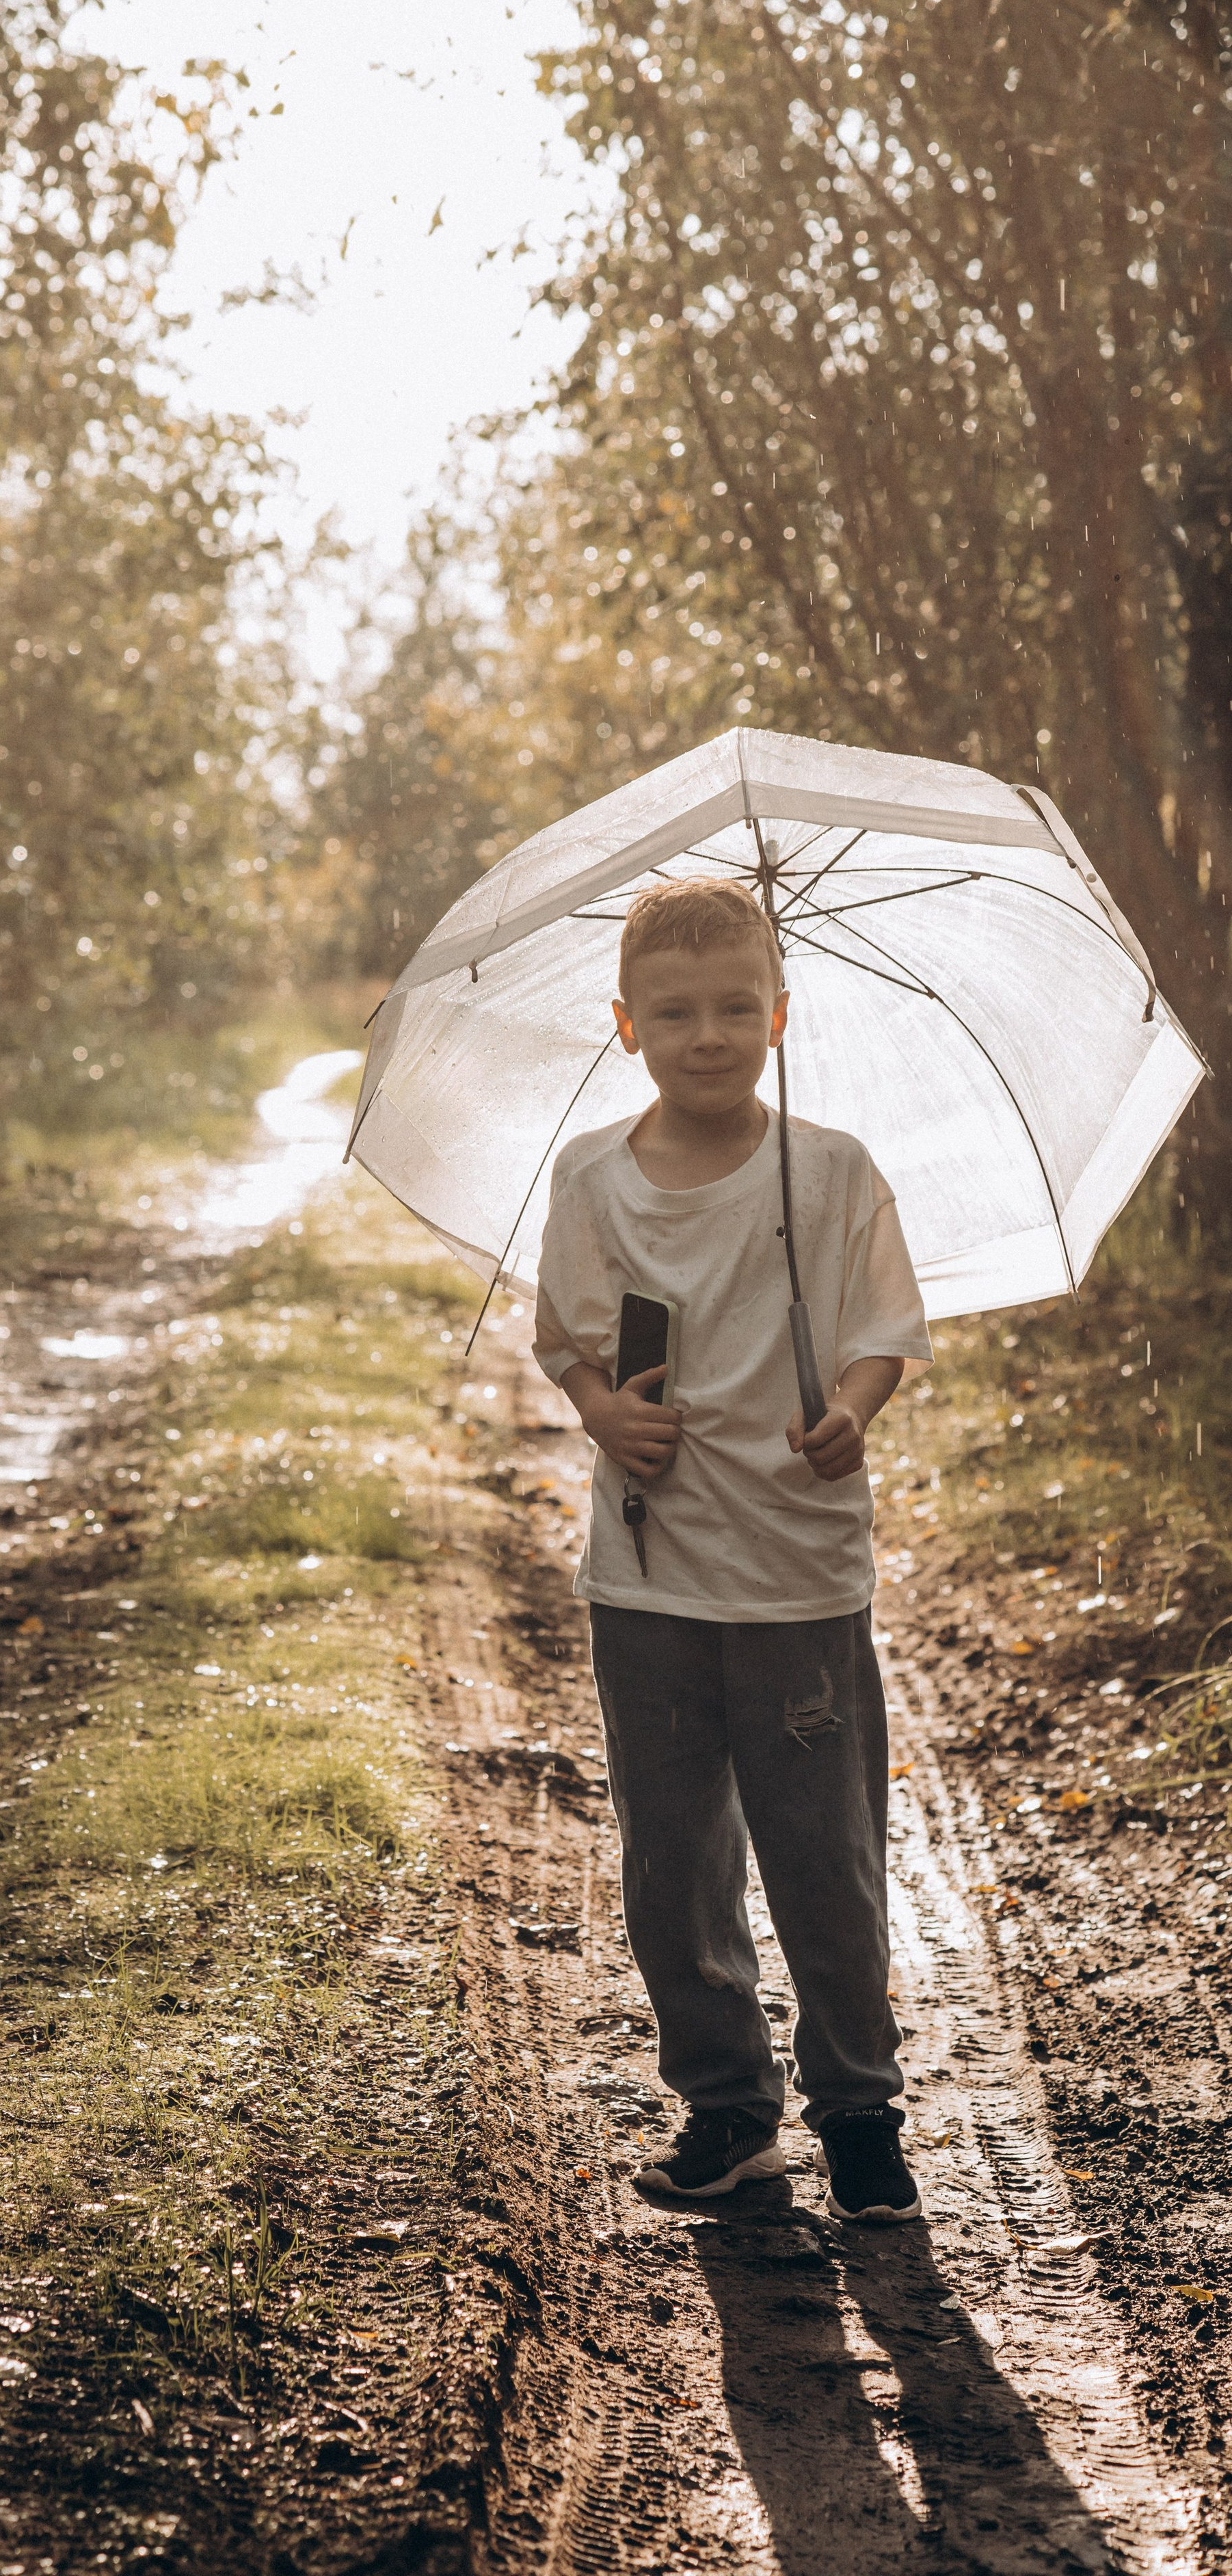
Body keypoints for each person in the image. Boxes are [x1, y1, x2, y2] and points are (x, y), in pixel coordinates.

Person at [533, 875, 933, 2220]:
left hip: (798, 1576)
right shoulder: (593, 1180)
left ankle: (859, 2113)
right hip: (647, 1579)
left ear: (777, 1014)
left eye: (730, 1008)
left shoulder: (829, 1173)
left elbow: (882, 1333)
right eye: (672, 1013)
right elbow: (570, 1342)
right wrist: (602, 1415)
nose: (704, 1036)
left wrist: (851, 1411)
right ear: (625, 1025)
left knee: (825, 1859)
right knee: (672, 1865)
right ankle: (726, 2110)